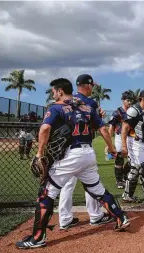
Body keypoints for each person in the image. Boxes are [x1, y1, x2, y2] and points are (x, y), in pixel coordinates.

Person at [15, 78, 130, 249]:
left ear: (60, 91)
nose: (53, 94)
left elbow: (45, 129)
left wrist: (39, 153)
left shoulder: (56, 107)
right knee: (97, 189)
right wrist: (112, 148)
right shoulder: (87, 107)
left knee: (46, 194)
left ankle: (38, 238)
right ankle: (121, 217)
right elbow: (103, 129)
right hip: (88, 154)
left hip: (70, 155)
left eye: (54, 91)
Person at [58, 74, 112, 230]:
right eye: (92, 86)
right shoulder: (90, 103)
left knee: (67, 185)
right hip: (82, 148)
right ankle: (95, 215)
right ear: (87, 85)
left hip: (65, 149)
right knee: (91, 183)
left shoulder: (67, 100)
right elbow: (96, 126)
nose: (93, 88)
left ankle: (65, 219)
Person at [107, 91, 134, 189]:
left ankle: (124, 175)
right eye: (128, 100)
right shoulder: (117, 112)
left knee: (133, 159)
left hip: (131, 137)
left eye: (131, 100)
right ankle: (119, 181)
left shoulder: (133, 112)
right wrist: (109, 143)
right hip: (119, 137)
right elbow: (111, 127)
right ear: (123, 100)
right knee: (119, 159)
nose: (130, 102)